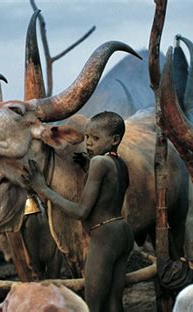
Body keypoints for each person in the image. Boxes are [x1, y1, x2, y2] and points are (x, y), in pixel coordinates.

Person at [23, 111, 134, 312]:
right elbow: (111, 192)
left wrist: (43, 189)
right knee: (115, 303)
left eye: (96, 138)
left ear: (115, 140)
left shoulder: (99, 163)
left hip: (104, 237)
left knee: (93, 305)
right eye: (88, 137)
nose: (89, 143)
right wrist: (87, 169)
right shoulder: (120, 163)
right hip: (122, 232)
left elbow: (81, 211)